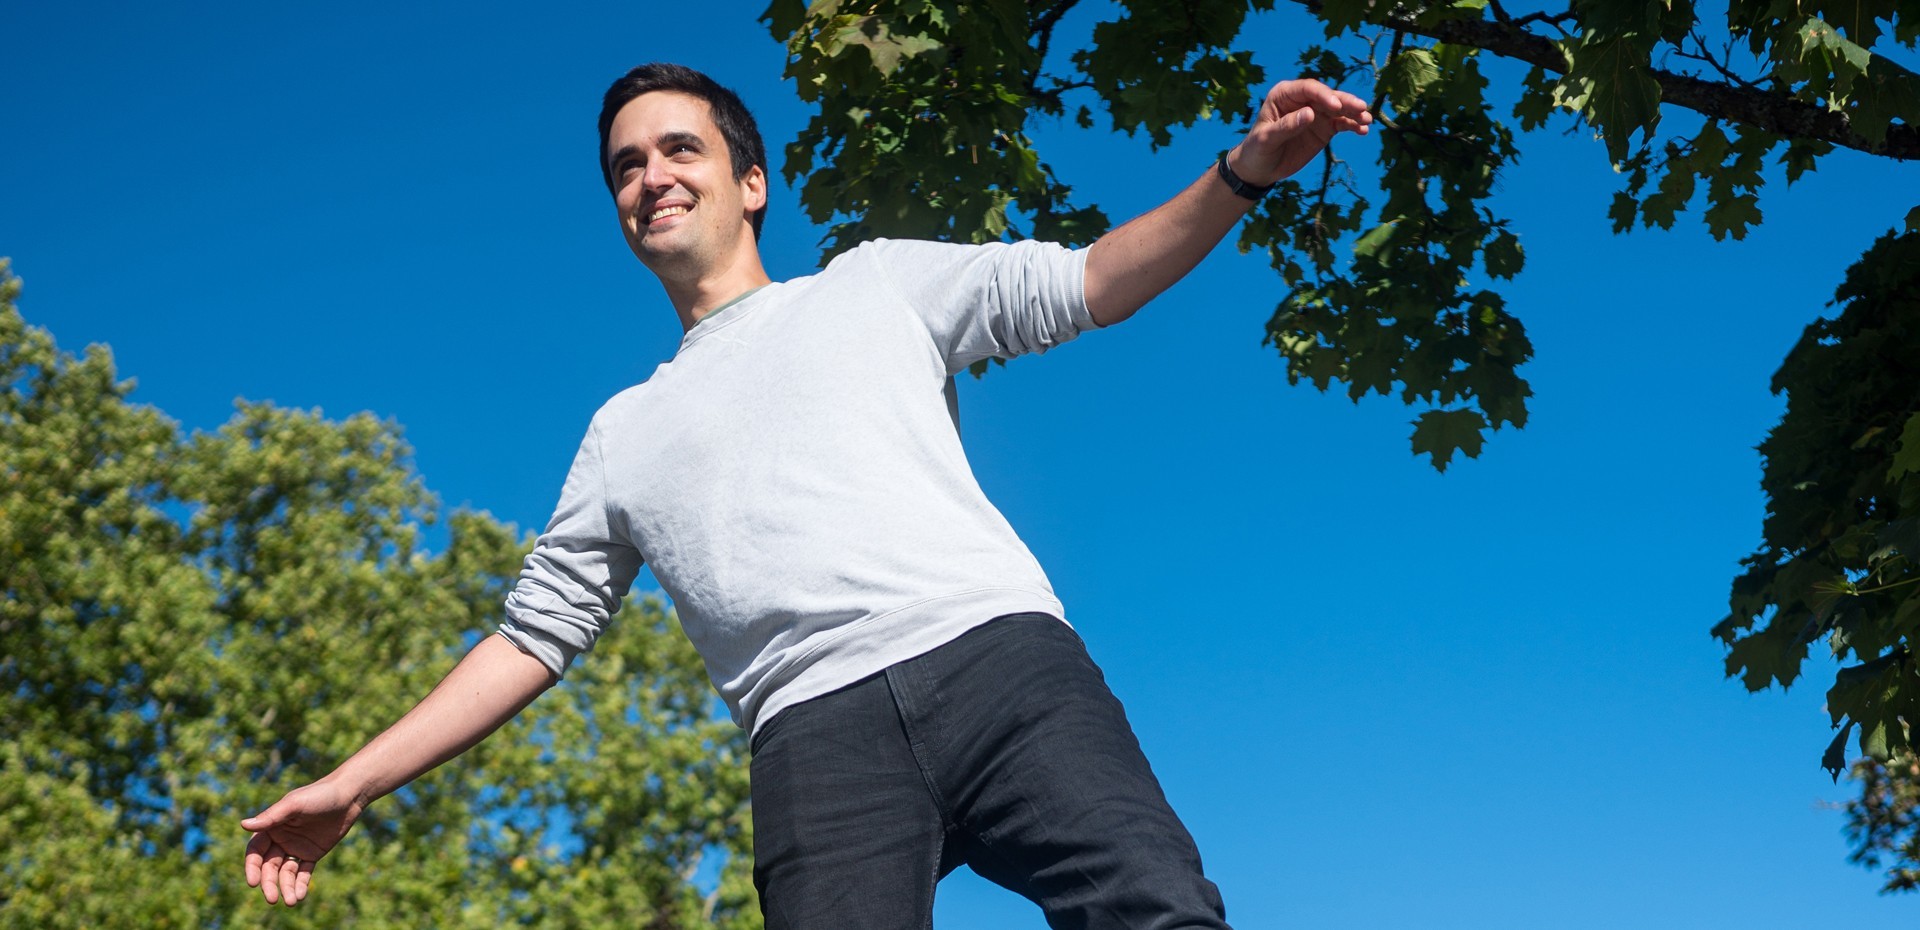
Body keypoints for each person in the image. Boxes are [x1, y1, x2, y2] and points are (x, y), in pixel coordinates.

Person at [242, 62, 1370, 928]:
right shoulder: (621, 434)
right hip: (812, 741)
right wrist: (353, 782)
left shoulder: (874, 283)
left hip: (996, 665)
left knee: (1155, 907)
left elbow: (1091, 282)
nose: (650, 178)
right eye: (626, 168)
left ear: (750, 181)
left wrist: (1244, 172)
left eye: (677, 149)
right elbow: (534, 637)